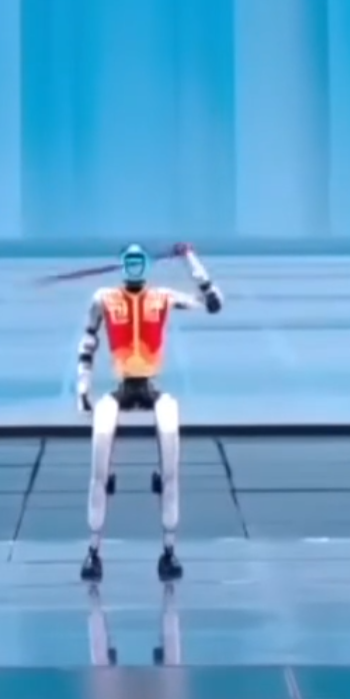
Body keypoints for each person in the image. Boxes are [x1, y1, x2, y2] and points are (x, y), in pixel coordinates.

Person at [76, 243, 224, 583]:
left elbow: (213, 303)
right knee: (99, 462)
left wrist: (190, 259)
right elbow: (88, 343)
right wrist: (83, 390)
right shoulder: (104, 299)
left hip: (150, 387)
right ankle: (93, 550)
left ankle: (169, 550)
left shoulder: (162, 298)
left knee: (170, 457)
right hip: (122, 387)